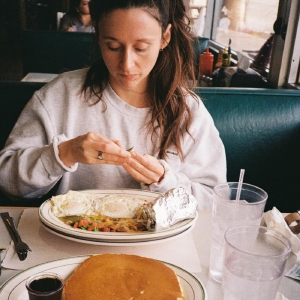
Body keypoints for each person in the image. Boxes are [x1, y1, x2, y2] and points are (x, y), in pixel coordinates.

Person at [0, 0, 226, 210]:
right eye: (113, 47)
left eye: (141, 48)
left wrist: (165, 181)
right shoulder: (60, 96)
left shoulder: (189, 111)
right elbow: (8, 183)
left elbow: (214, 204)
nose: (127, 64)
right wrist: (65, 153)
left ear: (165, 37)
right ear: (98, 36)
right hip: (73, 243)